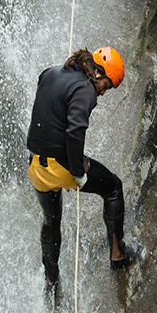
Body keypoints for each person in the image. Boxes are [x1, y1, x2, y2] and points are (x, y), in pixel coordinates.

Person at [26, 46, 136, 287]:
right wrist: (78, 172)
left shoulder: (51, 72)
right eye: (107, 85)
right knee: (113, 188)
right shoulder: (86, 90)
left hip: (36, 165)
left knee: (51, 219)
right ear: (97, 73)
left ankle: (51, 281)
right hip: (61, 166)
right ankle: (118, 256)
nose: (104, 93)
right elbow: (75, 131)